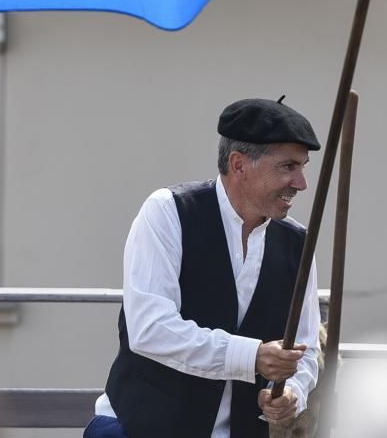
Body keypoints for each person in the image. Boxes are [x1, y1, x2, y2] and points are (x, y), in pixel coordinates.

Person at [86, 97, 322, 438]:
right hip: (139, 429)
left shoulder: (299, 243)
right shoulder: (168, 212)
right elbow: (150, 329)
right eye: (287, 167)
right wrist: (252, 355)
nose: (301, 183)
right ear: (239, 165)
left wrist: (290, 393)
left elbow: (306, 348)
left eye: (303, 167)